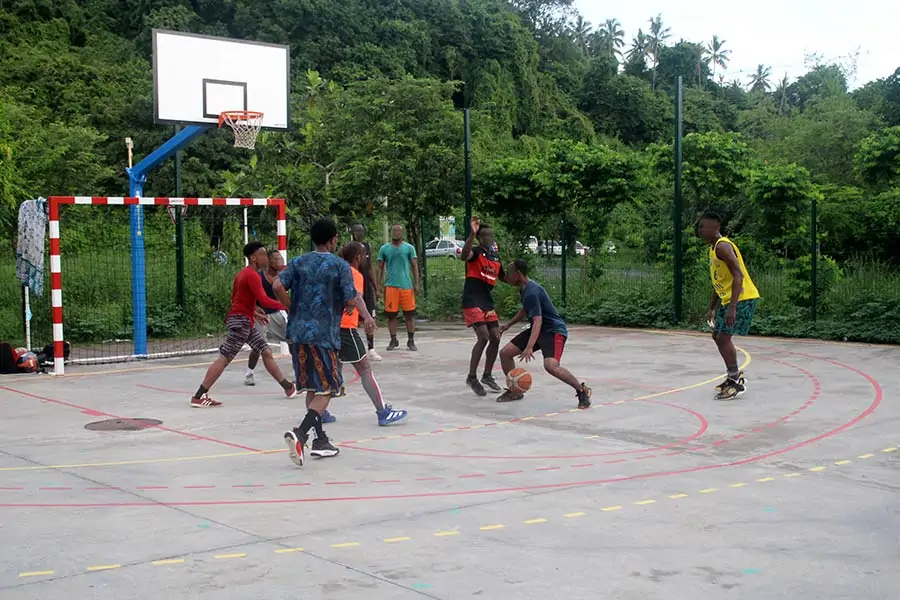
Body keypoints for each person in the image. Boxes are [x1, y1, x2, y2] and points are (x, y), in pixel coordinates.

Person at [274, 219, 376, 467]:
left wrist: (292, 307)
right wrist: (366, 315)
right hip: (323, 336)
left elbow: (277, 285)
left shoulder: (299, 262)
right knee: (328, 389)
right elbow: (352, 297)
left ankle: (320, 441)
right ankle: (301, 434)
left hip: (298, 335)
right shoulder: (339, 266)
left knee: (311, 386)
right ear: (333, 240)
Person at [190, 242, 296, 408]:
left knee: (266, 351)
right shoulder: (252, 275)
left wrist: (253, 311)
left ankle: (288, 388)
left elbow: (237, 300)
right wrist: (288, 305)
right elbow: (265, 300)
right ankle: (199, 396)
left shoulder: (242, 274)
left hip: (244, 319)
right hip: (241, 321)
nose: (265, 258)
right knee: (224, 358)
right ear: (253, 258)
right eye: (262, 254)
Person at [497, 259, 592, 409]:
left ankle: (581, 390)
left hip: (553, 330)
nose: (507, 277)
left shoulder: (532, 291)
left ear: (518, 274)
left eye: (510, 273)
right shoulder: (523, 288)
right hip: (539, 328)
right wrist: (508, 325)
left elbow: (538, 320)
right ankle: (515, 391)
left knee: (551, 366)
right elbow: (525, 310)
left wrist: (529, 347)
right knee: (505, 353)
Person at [337, 241, 408, 426]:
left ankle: (319, 412)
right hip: (345, 327)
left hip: (327, 326)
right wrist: (366, 316)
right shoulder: (354, 274)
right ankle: (382, 411)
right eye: (364, 255)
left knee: (328, 369)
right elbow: (354, 298)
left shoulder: (335, 270)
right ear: (358, 257)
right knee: (365, 369)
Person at [697, 212, 761, 400]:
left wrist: (732, 307)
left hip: (741, 298)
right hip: (729, 299)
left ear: (715, 228)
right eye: (699, 227)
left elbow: (738, 275)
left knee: (723, 338)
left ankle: (735, 380)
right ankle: (733, 375)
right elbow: (719, 281)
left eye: (703, 227)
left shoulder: (723, 246)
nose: (700, 231)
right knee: (717, 336)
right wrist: (712, 308)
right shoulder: (713, 248)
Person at [460, 217, 505, 396]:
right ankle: (472, 377)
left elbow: (505, 277)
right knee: (484, 337)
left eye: (490, 235)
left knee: (495, 337)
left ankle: (487, 375)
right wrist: (472, 233)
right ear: (479, 238)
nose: (488, 238)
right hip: (472, 300)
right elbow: (464, 255)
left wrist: (524, 281)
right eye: (484, 235)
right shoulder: (476, 252)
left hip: (487, 301)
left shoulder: (495, 257)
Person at [244, 250, 290, 387]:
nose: (281, 261)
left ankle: (299, 372)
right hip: (260, 316)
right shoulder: (259, 277)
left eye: (281, 258)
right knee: (259, 347)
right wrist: (253, 308)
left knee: (293, 340)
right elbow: (250, 295)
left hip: (277, 314)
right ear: (270, 262)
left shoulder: (283, 277)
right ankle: (249, 373)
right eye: (278, 259)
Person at [377, 224, 419, 351]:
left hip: (406, 286)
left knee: (409, 315)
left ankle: (411, 340)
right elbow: (379, 267)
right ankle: (393, 339)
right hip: (391, 286)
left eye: (399, 231)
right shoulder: (384, 249)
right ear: (391, 233)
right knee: (391, 315)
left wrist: (416, 283)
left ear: (403, 233)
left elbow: (414, 266)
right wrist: (378, 285)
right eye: (394, 231)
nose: (396, 233)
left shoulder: (409, 248)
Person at [349, 223, 382, 362]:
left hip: (366, 287)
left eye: (362, 230)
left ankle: (371, 348)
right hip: (353, 285)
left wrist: (376, 287)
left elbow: (369, 268)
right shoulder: (348, 248)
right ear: (352, 232)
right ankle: (350, 348)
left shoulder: (367, 246)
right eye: (357, 230)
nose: (360, 232)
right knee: (350, 318)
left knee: (370, 317)